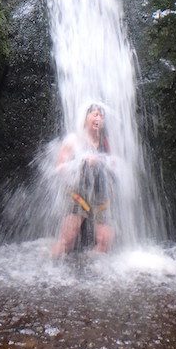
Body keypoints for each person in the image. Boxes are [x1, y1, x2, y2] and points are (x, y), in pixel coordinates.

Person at [51, 103, 116, 256]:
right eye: (95, 114)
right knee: (67, 240)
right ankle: (46, 265)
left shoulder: (105, 142)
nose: (98, 118)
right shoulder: (74, 140)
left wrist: (112, 164)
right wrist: (82, 161)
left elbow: (112, 165)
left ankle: (91, 271)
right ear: (85, 118)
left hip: (101, 193)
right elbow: (59, 168)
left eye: (101, 116)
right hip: (79, 192)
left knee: (105, 241)